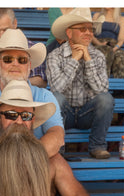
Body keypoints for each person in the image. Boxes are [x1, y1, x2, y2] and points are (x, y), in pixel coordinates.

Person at [0, 28, 64, 158]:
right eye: (8, 59)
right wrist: (7, 152)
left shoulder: (45, 97)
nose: (15, 64)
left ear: (29, 66)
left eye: (22, 60)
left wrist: (29, 156)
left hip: (34, 162)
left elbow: (56, 134)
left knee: (58, 161)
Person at [46, 7, 114, 159]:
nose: (89, 33)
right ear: (69, 33)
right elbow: (56, 88)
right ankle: (58, 149)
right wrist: (74, 60)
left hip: (87, 114)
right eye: (83, 29)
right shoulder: (54, 56)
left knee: (106, 99)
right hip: (65, 114)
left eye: (90, 29)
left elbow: (102, 89)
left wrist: (88, 60)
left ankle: (97, 146)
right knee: (56, 98)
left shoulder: (98, 56)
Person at [0, 8, 47, 90]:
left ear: (15, 23)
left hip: (26, 95)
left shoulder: (30, 49)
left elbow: (42, 82)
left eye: (5, 30)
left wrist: (12, 80)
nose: (1, 35)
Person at [92, 8, 124, 78]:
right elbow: (91, 35)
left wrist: (115, 48)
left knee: (120, 55)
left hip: (114, 45)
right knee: (106, 52)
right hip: (99, 44)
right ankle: (102, 82)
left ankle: (120, 86)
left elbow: (121, 39)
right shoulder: (97, 16)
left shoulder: (122, 19)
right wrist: (99, 44)